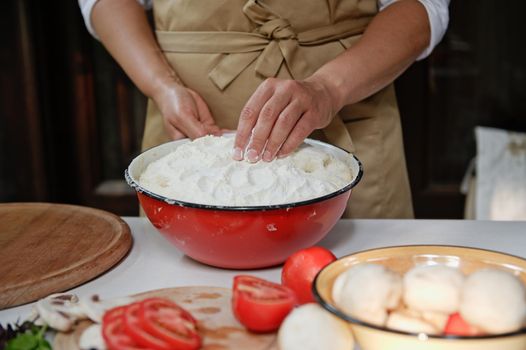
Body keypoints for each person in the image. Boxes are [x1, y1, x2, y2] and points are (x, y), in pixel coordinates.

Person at [79, 0, 449, 218]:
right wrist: (161, 85)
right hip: (187, 135)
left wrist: (328, 88)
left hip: (350, 115)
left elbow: (421, 6)